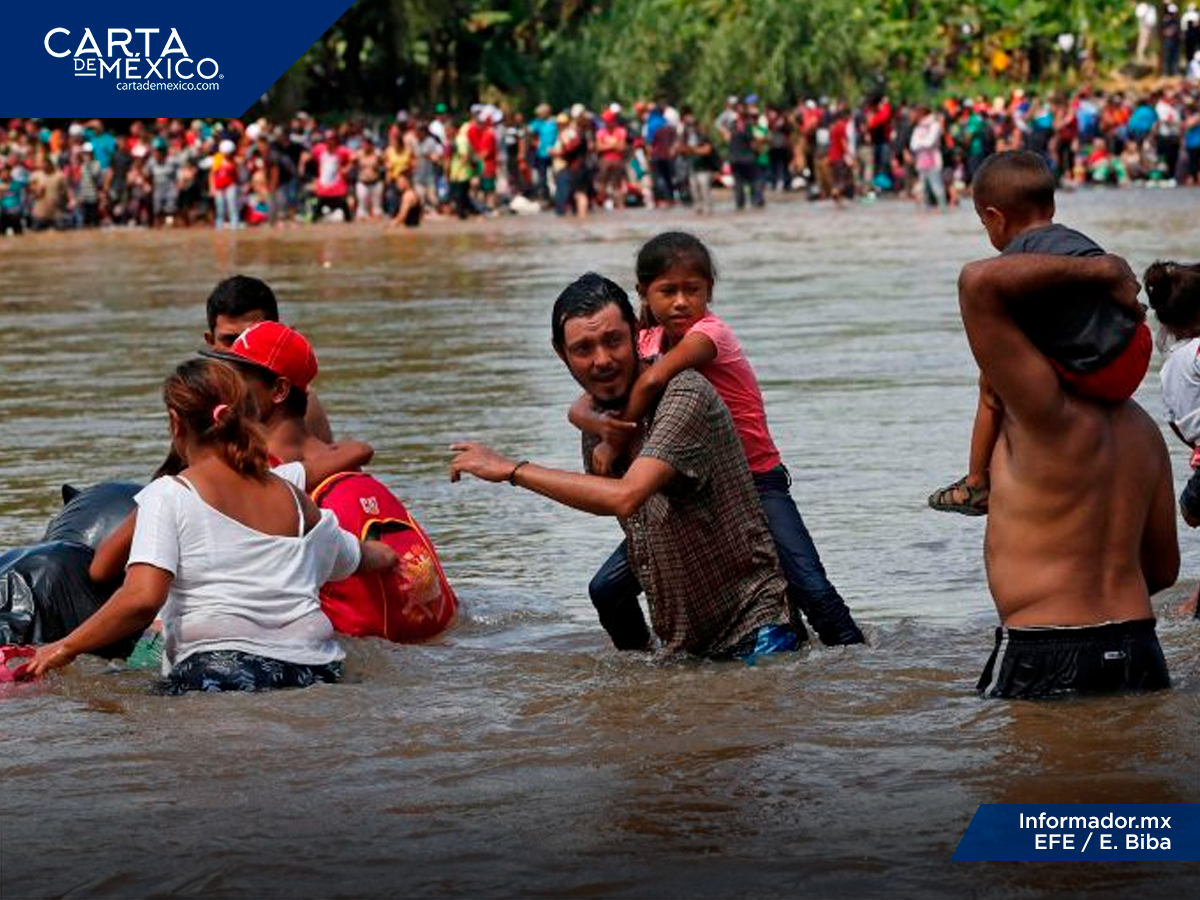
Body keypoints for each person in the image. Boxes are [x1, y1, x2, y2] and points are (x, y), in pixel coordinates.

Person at [450, 273, 800, 660]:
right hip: (688, 649)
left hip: (757, 634)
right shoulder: (600, 419)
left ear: (635, 331)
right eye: (583, 348)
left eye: (613, 340)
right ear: (560, 353)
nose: (602, 360)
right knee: (605, 593)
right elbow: (619, 509)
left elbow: (625, 497)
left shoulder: (684, 395)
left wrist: (514, 470)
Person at [21, 358, 400, 692]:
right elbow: (357, 556)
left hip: (220, 675)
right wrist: (391, 555)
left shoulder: (169, 494)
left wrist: (64, 647)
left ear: (175, 422)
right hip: (317, 671)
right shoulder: (295, 497)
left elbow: (142, 598)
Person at [566, 233, 863, 647]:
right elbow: (582, 404)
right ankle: (642, 663)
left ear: (709, 291)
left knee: (811, 586)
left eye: (693, 290)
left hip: (756, 483)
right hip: (694, 491)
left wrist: (613, 442)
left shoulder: (710, 335)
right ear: (643, 293)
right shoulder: (646, 341)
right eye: (667, 291)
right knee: (607, 590)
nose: (681, 302)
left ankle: (857, 662)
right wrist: (594, 424)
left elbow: (651, 380)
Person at [959, 251, 1177, 699]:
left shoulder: (1042, 418)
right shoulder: (1144, 429)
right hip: (1139, 646)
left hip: (1045, 647)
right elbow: (1163, 569)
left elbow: (976, 281)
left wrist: (1102, 268)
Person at [929, 151, 1152, 515]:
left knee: (990, 382)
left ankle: (975, 483)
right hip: (1136, 348)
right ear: (1051, 204)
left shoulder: (1012, 265)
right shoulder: (1080, 242)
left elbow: (1009, 343)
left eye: (984, 225)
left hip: (1099, 370)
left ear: (994, 217)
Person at [202, 275, 334, 443]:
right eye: (230, 340)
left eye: (253, 339)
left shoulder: (297, 405)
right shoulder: (196, 402)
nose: (239, 352)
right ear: (210, 341)